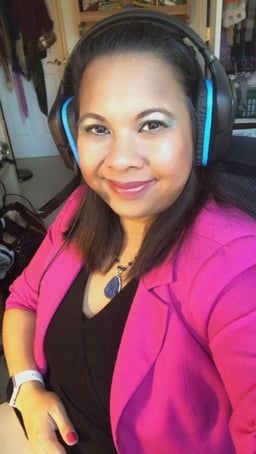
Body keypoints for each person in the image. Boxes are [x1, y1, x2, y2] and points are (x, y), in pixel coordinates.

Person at [2, 9, 256, 454]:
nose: (120, 160)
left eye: (152, 124)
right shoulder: (84, 208)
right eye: (98, 128)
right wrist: (26, 387)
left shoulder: (237, 269)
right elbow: (22, 302)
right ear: (70, 135)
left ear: (202, 128)